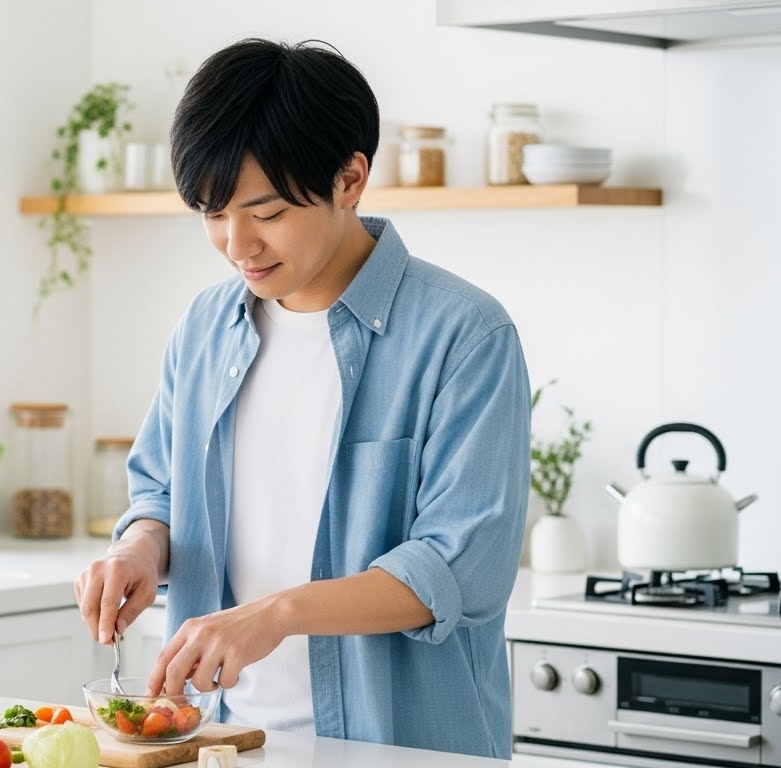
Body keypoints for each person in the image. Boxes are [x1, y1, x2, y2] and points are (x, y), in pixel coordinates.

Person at [74, 38, 530, 759]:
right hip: (224, 739)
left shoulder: (464, 334)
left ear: (349, 179)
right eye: (211, 212)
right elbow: (160, 491)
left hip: (398, 748)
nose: (235, 243)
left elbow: (459, 566)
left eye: (266, 211)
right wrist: (139, 549)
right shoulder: (204, 327)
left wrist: (276, 615)